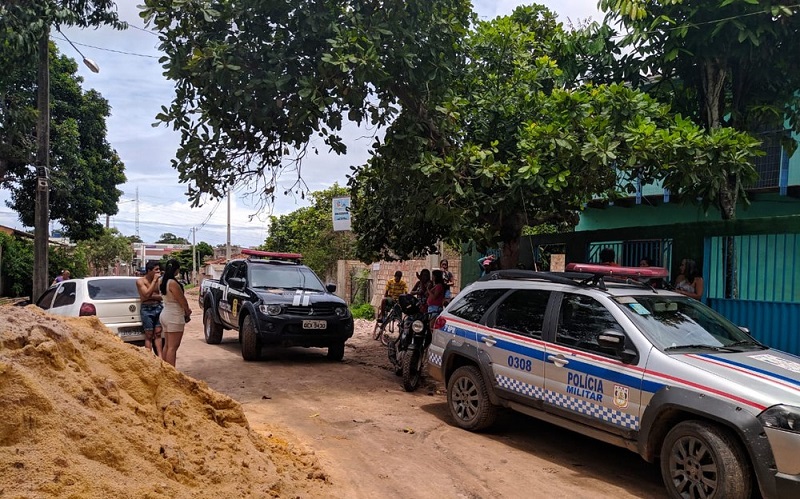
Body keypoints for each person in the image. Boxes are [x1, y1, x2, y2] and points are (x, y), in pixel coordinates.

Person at [159, 258, 192, 367]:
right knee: (173, 347)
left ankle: (165, 370)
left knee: (167, 345)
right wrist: (187, 312)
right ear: (176, 270)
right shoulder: (173, 283)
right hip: (174, 315)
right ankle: (172, 372)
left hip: (165, 313)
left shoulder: (162, 281)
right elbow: (182, 300)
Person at [136, 261, 164, 357]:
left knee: (158, 333)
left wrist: (151, 296)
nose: (158, 272)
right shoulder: (140, 281)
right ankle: (149, 358)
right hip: (147, 310)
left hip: (158, 307)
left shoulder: (160, 281)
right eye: (156, 270)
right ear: (149, 271)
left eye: (159, 269)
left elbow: (162, 296)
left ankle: (160, 357)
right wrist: (154, 281)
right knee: (148, 334)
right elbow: (146, 295)